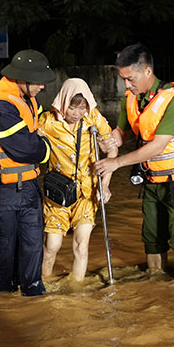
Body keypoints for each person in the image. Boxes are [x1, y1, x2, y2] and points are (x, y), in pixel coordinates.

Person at [94, 43, 174, 284]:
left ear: (147, 72)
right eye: (123, 79)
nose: (126, 85)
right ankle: (156, 285)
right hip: (151, 179)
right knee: (152, 236)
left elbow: (157, 146)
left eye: (130, 79)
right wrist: (106, 140)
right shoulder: (131, 99)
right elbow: (120, 133)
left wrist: (116, 163)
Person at [0, 49, 54, 296]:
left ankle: (34, 300)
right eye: (39, 80)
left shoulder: (28, 100)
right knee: (4, 256)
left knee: (33, 250)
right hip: (3, 191)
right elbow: (28, 149)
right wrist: (44, 146)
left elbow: (31, 140)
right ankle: (4, 305)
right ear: (23, 78)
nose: (43, 86)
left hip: (29, 187)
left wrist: (37, 142)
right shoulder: (0, 105)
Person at [38, 78, 117, 281]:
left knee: (81, 245)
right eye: (73, 109)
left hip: (87, 192)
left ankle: (77, 291)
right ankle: (44, 284)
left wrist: (105, 185)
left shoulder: (93, 118)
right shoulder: (47, 121)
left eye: (82, 108)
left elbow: (112, 150)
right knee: (52, 245)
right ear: (63, 103)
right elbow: (25, 140)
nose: (77, 114)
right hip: (58, 192)